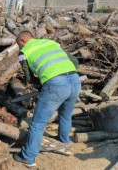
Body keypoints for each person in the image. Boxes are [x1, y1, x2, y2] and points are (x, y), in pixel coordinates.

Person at [13, 31, 81, 167]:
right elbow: (74, 61)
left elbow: (29, 78)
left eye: (18, 45)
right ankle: (64, 142)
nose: (18, 48)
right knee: (66, 115)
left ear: (22, 41)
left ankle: (28, 157)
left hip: (56, 85)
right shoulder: (51, 43)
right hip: (75, 80)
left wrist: (44, 84)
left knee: (37, 123)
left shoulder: (24, 52)